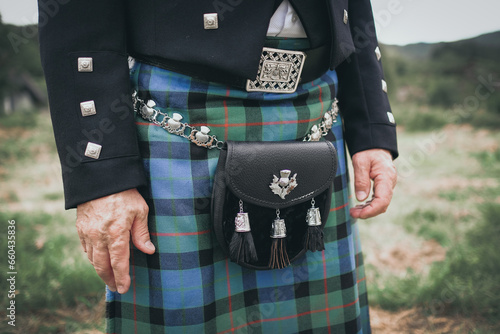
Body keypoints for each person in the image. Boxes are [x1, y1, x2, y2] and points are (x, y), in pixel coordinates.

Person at [38, 0, 398, 332]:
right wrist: (102, 176)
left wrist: (371, 129)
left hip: (315, 107)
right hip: (179, 111)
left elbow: (355, 11)